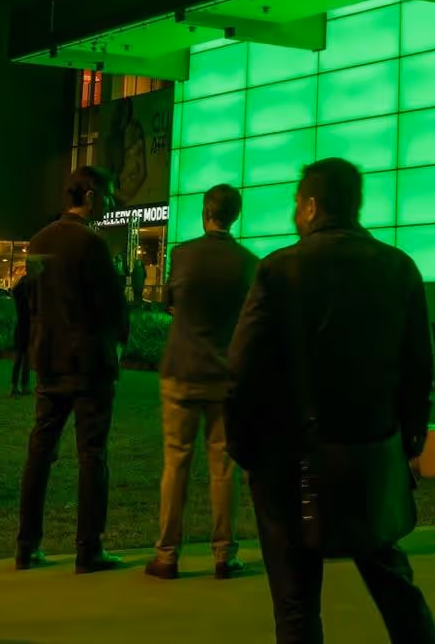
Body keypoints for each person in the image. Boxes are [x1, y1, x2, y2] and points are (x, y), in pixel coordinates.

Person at [227, 158, 435, 644]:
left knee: (296, 602)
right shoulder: (399, 268)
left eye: (296, 203)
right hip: (370, 454)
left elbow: (242, 369)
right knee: (393, 583)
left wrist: (245, 448)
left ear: (311, 205)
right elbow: (418, 368)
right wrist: (408, 440)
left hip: (288, 459)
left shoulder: (279, 270)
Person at [17, 165, 129, 575]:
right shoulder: (92, 245)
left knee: (40, 452)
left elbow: (31, 303)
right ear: (92, 197)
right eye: (110, 195)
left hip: (49, 361)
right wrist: (119, 339)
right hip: (88, 365)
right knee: (92, 455)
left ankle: (27, 545)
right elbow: (113, 307)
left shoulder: (39, 241)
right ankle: (89, 548)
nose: (113, 203)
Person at [149, 183, 257, 582]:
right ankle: (224, 555)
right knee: (222, 468)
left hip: (181, 370)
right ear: (235, 215)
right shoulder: (249, 263)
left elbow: (170, 303)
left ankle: (167, 555)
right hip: (223, 376)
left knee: (175, 464)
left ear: (204, 212)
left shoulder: (182, 255)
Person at [9, 268, 35, 398]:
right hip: (28, 326)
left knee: (20, 358)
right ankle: (23, 385)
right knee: (25, 358)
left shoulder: (20, 288)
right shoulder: (29, 288)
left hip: (21, 326)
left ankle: (16, 385)